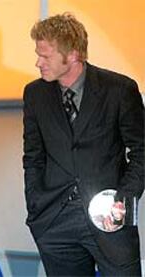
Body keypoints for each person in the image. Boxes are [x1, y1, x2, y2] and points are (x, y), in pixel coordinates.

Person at [23, 13, 144, 276]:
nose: (38, 62)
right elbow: (33, 156)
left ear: (74, 54)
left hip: (111, 221)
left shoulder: (120, 89)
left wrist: (124, 200)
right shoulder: (35, 93)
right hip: (54, 221)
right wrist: (36, 207)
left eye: (45, 56)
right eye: (37, 54)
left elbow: (141, 151)